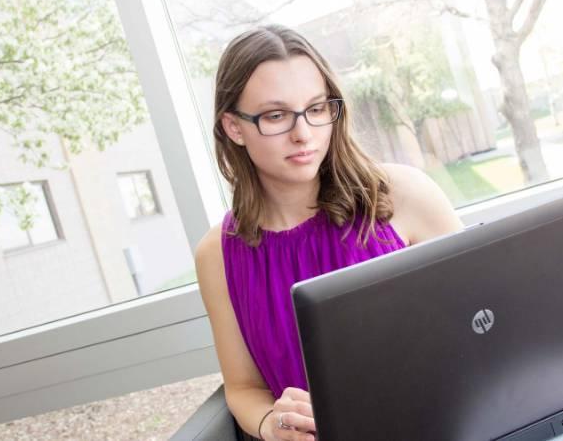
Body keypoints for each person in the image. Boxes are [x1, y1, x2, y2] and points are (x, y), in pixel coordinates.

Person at [194, 24, 463, 441]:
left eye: (317, 109)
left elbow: (482, 321)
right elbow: (243, 388)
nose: (304, 133)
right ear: (234, 127)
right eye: (276, 115)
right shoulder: (217, 254)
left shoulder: (402, 195)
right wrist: (272, 425)